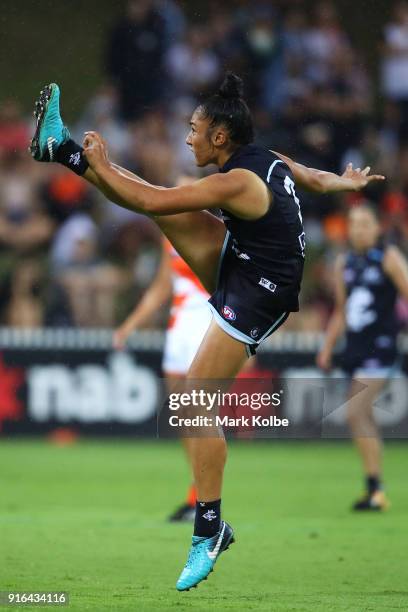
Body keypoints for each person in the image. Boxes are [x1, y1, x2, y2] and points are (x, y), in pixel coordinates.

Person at [30, 73, 384, 591]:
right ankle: (61, 149)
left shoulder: (235, 182)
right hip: (243, 260)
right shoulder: (265, 158)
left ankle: (209, 529)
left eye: (194, 130)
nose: (188, 137)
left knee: (193, 400)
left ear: (221, 137)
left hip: (260, 292)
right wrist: (344, 181)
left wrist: (104, 165)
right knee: (167, 214)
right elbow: (308, 175)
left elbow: (152, 201)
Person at [113, 231, 212, 523]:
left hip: (206, 326)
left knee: (200, 416)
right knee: (183, 416)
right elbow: (161, 288)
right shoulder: (170, 237)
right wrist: (129, 325)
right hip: (178, 331)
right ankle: (196, 494)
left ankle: (204, 499)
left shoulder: (215, 233)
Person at [317, 204, 408, 511]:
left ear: (377, 227)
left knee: (355, 411)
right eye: (354, 223)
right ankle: (374, 488)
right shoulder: (344, 262)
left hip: (381, 346)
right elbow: (341, 311)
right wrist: (328, 347)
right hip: (356, 348)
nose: (359, 229)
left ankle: (376, 488)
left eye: (365, 223)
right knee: (362, 416)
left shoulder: (389, 257)